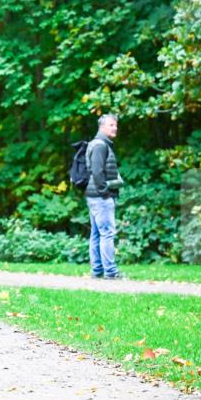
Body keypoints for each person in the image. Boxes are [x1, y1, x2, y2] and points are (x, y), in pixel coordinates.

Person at [84, 114, 125, 279]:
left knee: (96, 234)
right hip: (101, 197)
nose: (114, 128)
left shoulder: (96, 143)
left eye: (115, 125)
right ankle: (111, 272)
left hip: (93, 196)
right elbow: (97, 172)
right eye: (111, 125)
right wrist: (105, 192)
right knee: (107, 233)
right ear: (102, 127)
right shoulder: (101, 145)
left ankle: (97, 270)